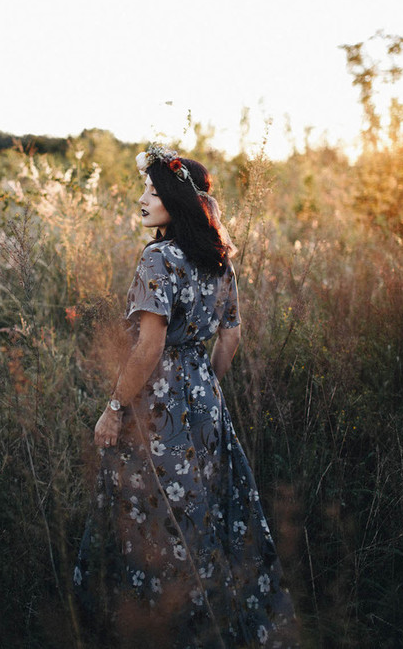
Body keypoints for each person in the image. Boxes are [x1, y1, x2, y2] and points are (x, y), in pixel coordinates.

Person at [73, 144, 298, 649]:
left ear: (176, 198)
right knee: (207, 512)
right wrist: (205, 385)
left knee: (156, 521)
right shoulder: (218, 258)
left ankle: (161, 626)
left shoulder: (158, 257)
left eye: (152, 191)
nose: (141, 199)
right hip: (205, 404)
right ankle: (214, 618)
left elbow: (149, 347)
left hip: (158, 409)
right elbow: (232, 337)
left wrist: (113, 409)